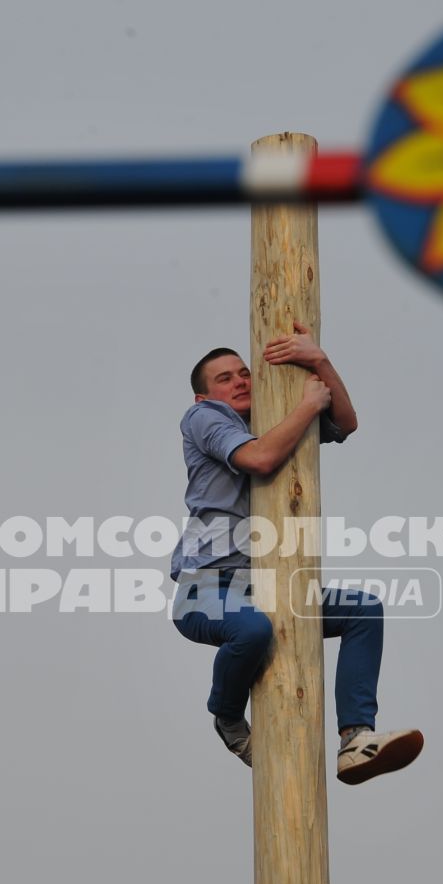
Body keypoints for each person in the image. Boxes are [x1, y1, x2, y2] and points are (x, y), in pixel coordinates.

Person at [169, 322, 424, 785]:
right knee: (251, 629)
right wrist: (307, 403)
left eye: (244, 372)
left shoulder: (273, 418)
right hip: (208, 585)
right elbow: (260, 460)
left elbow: (346, 422)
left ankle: (355, 737)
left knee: (363, 611)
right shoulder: (205, 419)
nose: (240, 381)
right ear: (203, 397)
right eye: (224, 378)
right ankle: (227, 717)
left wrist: (318, 361)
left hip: (273, 583)